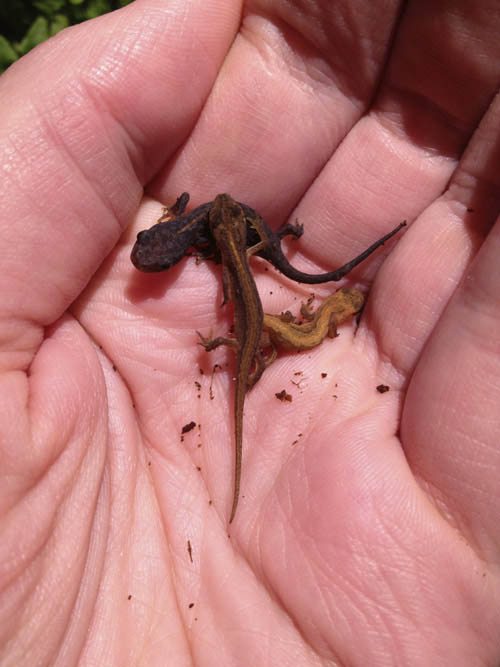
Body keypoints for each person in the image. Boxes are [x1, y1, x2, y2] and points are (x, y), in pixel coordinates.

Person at [1, 1, 499, 664]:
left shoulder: (193, 237)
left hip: (247, 237)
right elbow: (186, 219)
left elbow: (192, 218)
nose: (152, 262)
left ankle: (294, 248)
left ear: (174, 249)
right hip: (238, 241)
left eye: (156, 258)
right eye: (153, 255)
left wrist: (230, 250)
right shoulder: (183, 237)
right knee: (294, 274)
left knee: (296, 273)